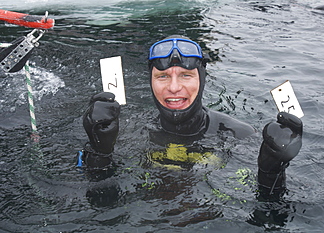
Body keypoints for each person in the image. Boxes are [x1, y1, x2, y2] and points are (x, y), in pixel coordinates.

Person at [80, 35, 303, 199]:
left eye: (186, 75)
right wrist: (98, 150)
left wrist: (272, 171)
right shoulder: (128, 128)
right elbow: (99, 199)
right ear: (151, 81)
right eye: (163, 76)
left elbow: (269, 214)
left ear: (202, 80)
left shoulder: (239, 134)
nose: (174, 87)